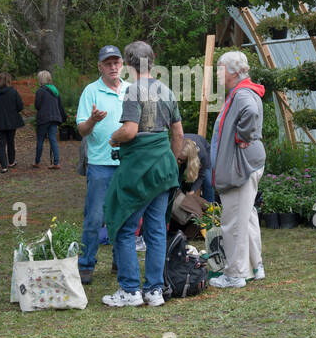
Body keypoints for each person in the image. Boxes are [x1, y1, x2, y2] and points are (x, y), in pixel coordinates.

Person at [102, 41, 183, 307]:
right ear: (153, 59)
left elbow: (130, 131)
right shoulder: (167, 91)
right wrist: (169, 159)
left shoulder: (133, 91)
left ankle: (129, 291)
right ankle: (154, 291)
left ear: (128, 63)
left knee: (125, 228)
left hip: (139, 168)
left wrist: (114, 138)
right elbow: (178, 134)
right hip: (162, 167)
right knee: (156, 229)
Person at [208, 51, 267, 288]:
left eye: (220, 69)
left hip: (241, 167)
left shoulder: (242, 94)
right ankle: (256, 266)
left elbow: (250, 113)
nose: (217, 74)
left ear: (233, 72)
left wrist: (244, 136)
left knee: (233, 220)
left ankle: (235, 274)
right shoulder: (242, 91)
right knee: (247, 215)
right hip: (248, 164)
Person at [75, 46, 128, 284]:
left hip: (127, 163)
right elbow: (81, 130)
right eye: (108, 63)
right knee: (95, 218)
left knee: (123, 216)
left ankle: (120, 261)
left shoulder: (130, 90)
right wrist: (92, 121)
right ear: (100, 67)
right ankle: (86, 264)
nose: (113, 67)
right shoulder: (91, 92)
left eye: (116, 62)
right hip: (99, 164)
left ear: (122, 64)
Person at [0, 72, 24, 172]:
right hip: (11, 121)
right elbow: (20, 106)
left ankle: (3, 166)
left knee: (1, 144)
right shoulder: (13, 91)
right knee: (11, 142)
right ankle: (11, 162)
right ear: (9, 80)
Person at [32, 70, 64, 169]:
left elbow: (37, 106)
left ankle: (37, 161)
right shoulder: (55, 90)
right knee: (53, 139)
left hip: (43, 118)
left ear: (40, 79)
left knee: (40, 139)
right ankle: (56, 162)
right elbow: (60, 105)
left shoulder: (40, 91)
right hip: (55, 117)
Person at [179, 132, 214, 203]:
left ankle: (210, 208)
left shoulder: (202, 155)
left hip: (204, 151)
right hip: (184, 152)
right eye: (178, 159)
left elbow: (201, 176)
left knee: (208, 182)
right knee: (178, 178)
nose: (178, 162)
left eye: (181, 160)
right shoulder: (176, 145)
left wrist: (193, 191)